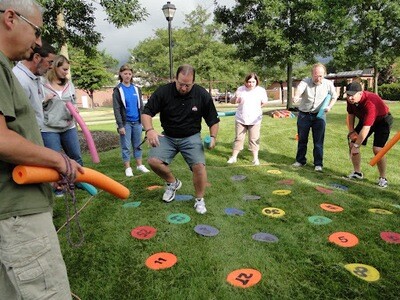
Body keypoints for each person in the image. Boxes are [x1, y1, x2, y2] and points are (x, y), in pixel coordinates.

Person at [0, 1, 83, 298]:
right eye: (36, 31)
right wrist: (59, 161)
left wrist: (44, 171)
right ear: (10, 18)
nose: (38, 42)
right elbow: (2, 140)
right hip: (17, 215)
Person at [141, 64, 220, 214]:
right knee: (153, 161)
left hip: (191, 136)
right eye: (180, 84)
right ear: (175, 79)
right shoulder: (164, 92)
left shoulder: (202, 94)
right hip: (168, 136)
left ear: (194, 82)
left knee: (199, 166)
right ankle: (173, 183)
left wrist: (213, 137)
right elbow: (146, 113)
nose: (183, 88)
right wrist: (150, 130)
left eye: (187, 85)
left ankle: (199, 200)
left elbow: (213, 121)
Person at [345, 81, 393, 188]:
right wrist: (351, 131)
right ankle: (357, 173)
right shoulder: (350, 100)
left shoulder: (370, 103)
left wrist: (357, 146)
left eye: (352, 95)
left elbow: (366, 128)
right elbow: (350, 114)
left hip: (382, 121)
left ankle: (383, 178)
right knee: (352, 143)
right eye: (348, 95)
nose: (350, 98)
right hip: (365, 119)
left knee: (377, 149)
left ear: (360, 93)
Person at [292, 63, 338, 172]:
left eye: (321, 76)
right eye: (316, 75)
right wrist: (296, 96)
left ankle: (318, 164)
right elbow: (299, 89)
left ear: (324, 74)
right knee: (302, 139)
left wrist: (329, 107)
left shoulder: (328, 84)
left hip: (320, 116)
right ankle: (300, 161)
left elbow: (334, 96)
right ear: (312, 74)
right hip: (304, 115)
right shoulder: (305, 82)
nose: (318, 78)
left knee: (318, 141)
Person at [112, 64, 150, 177]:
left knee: (137, 145)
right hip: (125, 123)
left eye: (129, 73)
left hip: (137, 122)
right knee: (126, 146)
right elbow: (116, 109)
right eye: (125, 74)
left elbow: (141, 107)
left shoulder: (136, 89)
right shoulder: (118, 90)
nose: (127, 76)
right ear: (121, 74)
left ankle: (139, 165)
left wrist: (143, 122)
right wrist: (120, 125)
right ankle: (128, 168)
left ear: (132, 75)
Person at [13, 40, 56, 129]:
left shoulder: (35, 78)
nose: (51, 66)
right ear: (36, 57)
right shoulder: (19, 79)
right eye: (50, 62)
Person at [227, 72, 268, 165]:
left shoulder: (261, 90)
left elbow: (264, 102)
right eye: (249, 82)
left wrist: (257, 109)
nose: (251, 84)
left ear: (256, 81)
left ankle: (255, 159)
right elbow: (232, 101)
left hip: (255, 120)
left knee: (254, 139)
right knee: (239, 138)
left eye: (253, 82)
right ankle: (233, 157)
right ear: (246, 81)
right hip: (241, 118)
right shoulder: (240, 89)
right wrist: (236, 97)